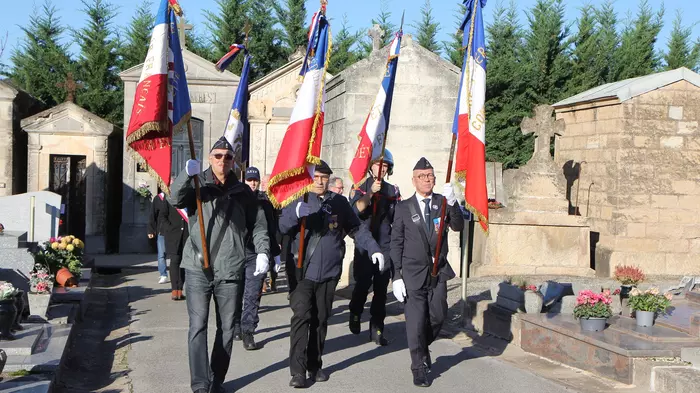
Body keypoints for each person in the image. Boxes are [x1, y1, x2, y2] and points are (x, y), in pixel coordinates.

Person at [169, 136, 271, 393]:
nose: (222, 161)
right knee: (198, 326)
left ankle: (217, 381)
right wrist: (184, 174)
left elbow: (258, 226)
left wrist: (263, 252)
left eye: (227, 157)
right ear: (210, 158)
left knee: (226, 329)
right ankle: (200, 385)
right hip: (198, 268)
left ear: (233, 161)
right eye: (217, 156)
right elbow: (175, 199)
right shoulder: (198, 184)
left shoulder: (243, 192)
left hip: (231, 269)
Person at [279, 160, 384, 388]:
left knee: (320, 319)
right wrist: (294, 214)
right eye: (316, 176)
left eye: (324, 177)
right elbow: (281, 227)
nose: (320, 181)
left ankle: (315, 365)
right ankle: (297, 371)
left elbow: (356, 228)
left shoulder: (339, 203)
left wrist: (374, 248)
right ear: (309, 177)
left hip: (328, 272)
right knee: (302, 318)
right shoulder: (297, 199)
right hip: (301, 272)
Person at [389, 157, 464, 387]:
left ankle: (423, 347)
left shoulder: (442, 202)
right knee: (415, 321)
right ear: (414, 180)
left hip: (438, 271)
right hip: (412, 273)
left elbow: (458, 226)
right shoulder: (403, 207)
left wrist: (453, 204)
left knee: (439, 315)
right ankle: (418, 366)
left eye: (431, 175)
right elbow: (396, 243)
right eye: (422, 176)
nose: (427, 179)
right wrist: (397, 276)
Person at [348, 150, 400, 345]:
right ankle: (355, 310)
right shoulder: (360, 187)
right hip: (364, 243)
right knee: (362, 284)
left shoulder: (392, 190)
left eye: (385, 166)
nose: (382, 169)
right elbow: (356, 211)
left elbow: (396, 218)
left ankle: (377, 327)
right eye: (379, 165)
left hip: (385, 243)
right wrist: (371, 193)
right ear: (371, 167)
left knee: (381, 288)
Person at [233, 167, 282, 350]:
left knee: (252, 294)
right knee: (236, 292)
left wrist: (275, 255)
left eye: (255, 180)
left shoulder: (265, 202)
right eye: (249, 180)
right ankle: (236, 324)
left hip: (257, 253)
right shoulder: (235, 199)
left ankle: (248, 331)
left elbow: (270, 228)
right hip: (237, 252)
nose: (252, 183)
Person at [157, 179, 190, 301]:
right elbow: (162, 216)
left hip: (186, 235)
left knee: (184, 263)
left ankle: (180, 289)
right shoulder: (168, 198)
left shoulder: (185, 197)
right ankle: (174, 289)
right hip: (173, 235)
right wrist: (169, 228)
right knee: (175, 262)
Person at [148, 188, 170, 284]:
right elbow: (152, 215)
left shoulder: (175, 197)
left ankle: (178, 275)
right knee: (161, 254)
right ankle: (163, 274)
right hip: (162, 231)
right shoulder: (158, 199)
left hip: (174, 231)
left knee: (176, 255)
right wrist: (151, 230)